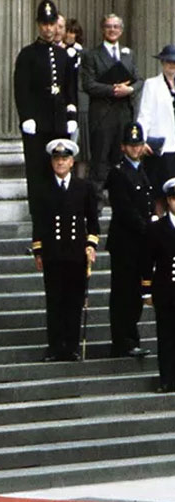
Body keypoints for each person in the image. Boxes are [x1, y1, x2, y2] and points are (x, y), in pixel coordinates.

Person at [32, 139, 99, 362]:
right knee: (55, 301)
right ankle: (54, 346)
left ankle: (71, 346)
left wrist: (91, 245)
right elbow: (39, 222)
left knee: (74, 301)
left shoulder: (84, 187)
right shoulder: (43, 188)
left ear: (72, 162)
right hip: (53, 253)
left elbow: (93, 221)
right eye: (57, 159)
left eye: (64, 159)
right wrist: (38, 250)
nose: (60, 162)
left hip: (76, 253)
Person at [14, 0, 78, 219]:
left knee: (59, 170)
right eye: (44, 24)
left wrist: (71, 114)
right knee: (37, 171)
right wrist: (27, 117)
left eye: (51, 24)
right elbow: (22, 89)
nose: (48, 29)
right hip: (37, 124)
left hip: (59, 122)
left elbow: (70, 89)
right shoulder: (27, 54)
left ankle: (58, 215)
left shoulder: (64, 56)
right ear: (38, 25)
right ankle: (39, 220)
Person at [105, 122, 155, 358]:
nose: (135, 149)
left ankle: (131, 336)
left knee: (136, 292)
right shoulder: (118, 172)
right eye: (131, 145)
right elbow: (124, 209)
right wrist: (147, 228)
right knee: (123, 292)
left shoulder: (142, 170)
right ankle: (122, 340)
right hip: (125, 241)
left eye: (138, 144)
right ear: (123, 147)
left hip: (140, 242)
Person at [81, 14, 142, 203]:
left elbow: (139, 80)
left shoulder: (128, 54)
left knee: (120, 162)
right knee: (99, 162)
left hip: (124, 115)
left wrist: (129, 89)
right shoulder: (92, 55)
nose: (112, 30)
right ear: (102, 29)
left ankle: (120, 204)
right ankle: (95, 209)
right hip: (102, 115)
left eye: (116, 27)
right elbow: (88, 84)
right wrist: (114, 90)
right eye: (108, 26)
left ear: (121, 31)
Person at [143, 178, 175, 393]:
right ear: (168, 201)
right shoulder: (156, 228)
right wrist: (146, 290)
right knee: (166, 338)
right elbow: (146, 261)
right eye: (174, 199)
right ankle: (167, 379)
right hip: (166, 290)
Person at [137, 44, 175, 207]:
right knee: (159, 194)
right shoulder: (152, 85)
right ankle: (160, 228)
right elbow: (144, 114)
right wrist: (142, 140)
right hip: (160, 148)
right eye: (168, 62)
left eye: (174, 62)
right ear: (162, 63)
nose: (171, 65)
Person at [65, 19, 88, 174]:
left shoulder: (84, 54)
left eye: (73, 32)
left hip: (81, 105)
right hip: (65, 103)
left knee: (81, 146)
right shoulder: (60, 53)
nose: (69, 35)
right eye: (68, 31)